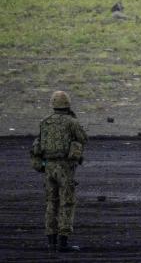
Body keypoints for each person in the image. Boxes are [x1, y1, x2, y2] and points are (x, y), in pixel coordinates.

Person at [30, 91, 87, 252]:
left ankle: (51, 241)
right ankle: (63, 241)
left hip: (48, 167)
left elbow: (39, 144)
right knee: (67, 203)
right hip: (64, 167)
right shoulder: (71, 122)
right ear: (67, 104)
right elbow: (83, 138)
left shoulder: (44, 122)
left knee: (51, 203)